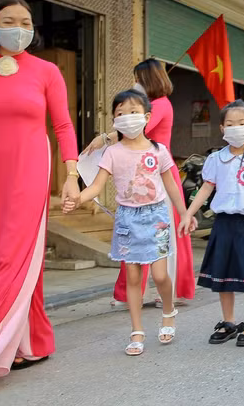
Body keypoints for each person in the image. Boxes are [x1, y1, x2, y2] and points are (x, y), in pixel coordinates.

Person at [0, 0, 80, 395]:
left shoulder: (47, 71)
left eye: (25, 21)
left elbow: (62, 125)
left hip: (30, 168)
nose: (19, 27)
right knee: (2, 259)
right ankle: (32, 342)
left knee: (12, 259)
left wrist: (71, 175)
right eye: (9, 21)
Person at [64, 90, 193, 355]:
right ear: (113, 121)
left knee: (159, 275)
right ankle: (137, 331)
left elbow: (171, 185)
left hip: (156, 216)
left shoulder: (159, 151)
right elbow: (97, 186)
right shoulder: (112, 152)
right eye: (120, 114)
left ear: (146, 117)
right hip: (127, 219)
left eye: (133, 112)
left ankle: (168, 311)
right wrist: (77, 199)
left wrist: (185, 214)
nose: (126, 118)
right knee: (133, 277)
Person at [83, 59, 195, 308]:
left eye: (138, 78)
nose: (135, 83)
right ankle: (134, 292)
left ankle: (168, 289)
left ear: (147, 79)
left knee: (162, 235)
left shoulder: (160, 105)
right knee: (136, 235)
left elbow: (136, 128)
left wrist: (103, 138)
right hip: (140, 176)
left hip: (159, 175)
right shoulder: (153, 104)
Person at [181, 100, 244, 347]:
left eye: (242, 123)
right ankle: (228, 322)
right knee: (223, 276)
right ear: (222, 128)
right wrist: (188, 213)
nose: (237, 128)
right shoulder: (215, 159)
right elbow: (206, 187)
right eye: (231, 124)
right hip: (224, 223)